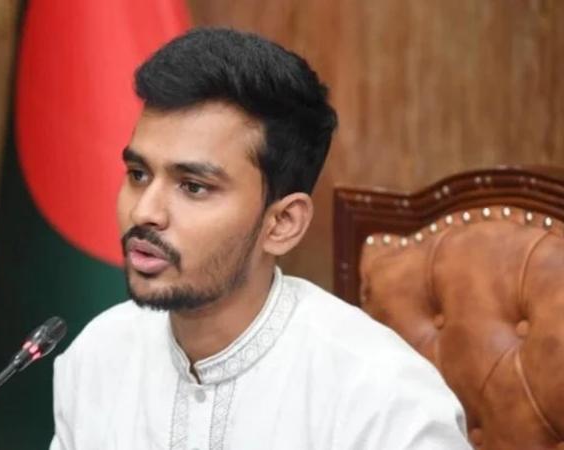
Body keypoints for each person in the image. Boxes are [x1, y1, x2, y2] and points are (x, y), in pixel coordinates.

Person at [49, 27, 470, 450]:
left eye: (193, 186)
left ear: (282, 223)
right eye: (139, 175)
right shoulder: (96, 358)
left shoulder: (385, 400)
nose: (144, 212)